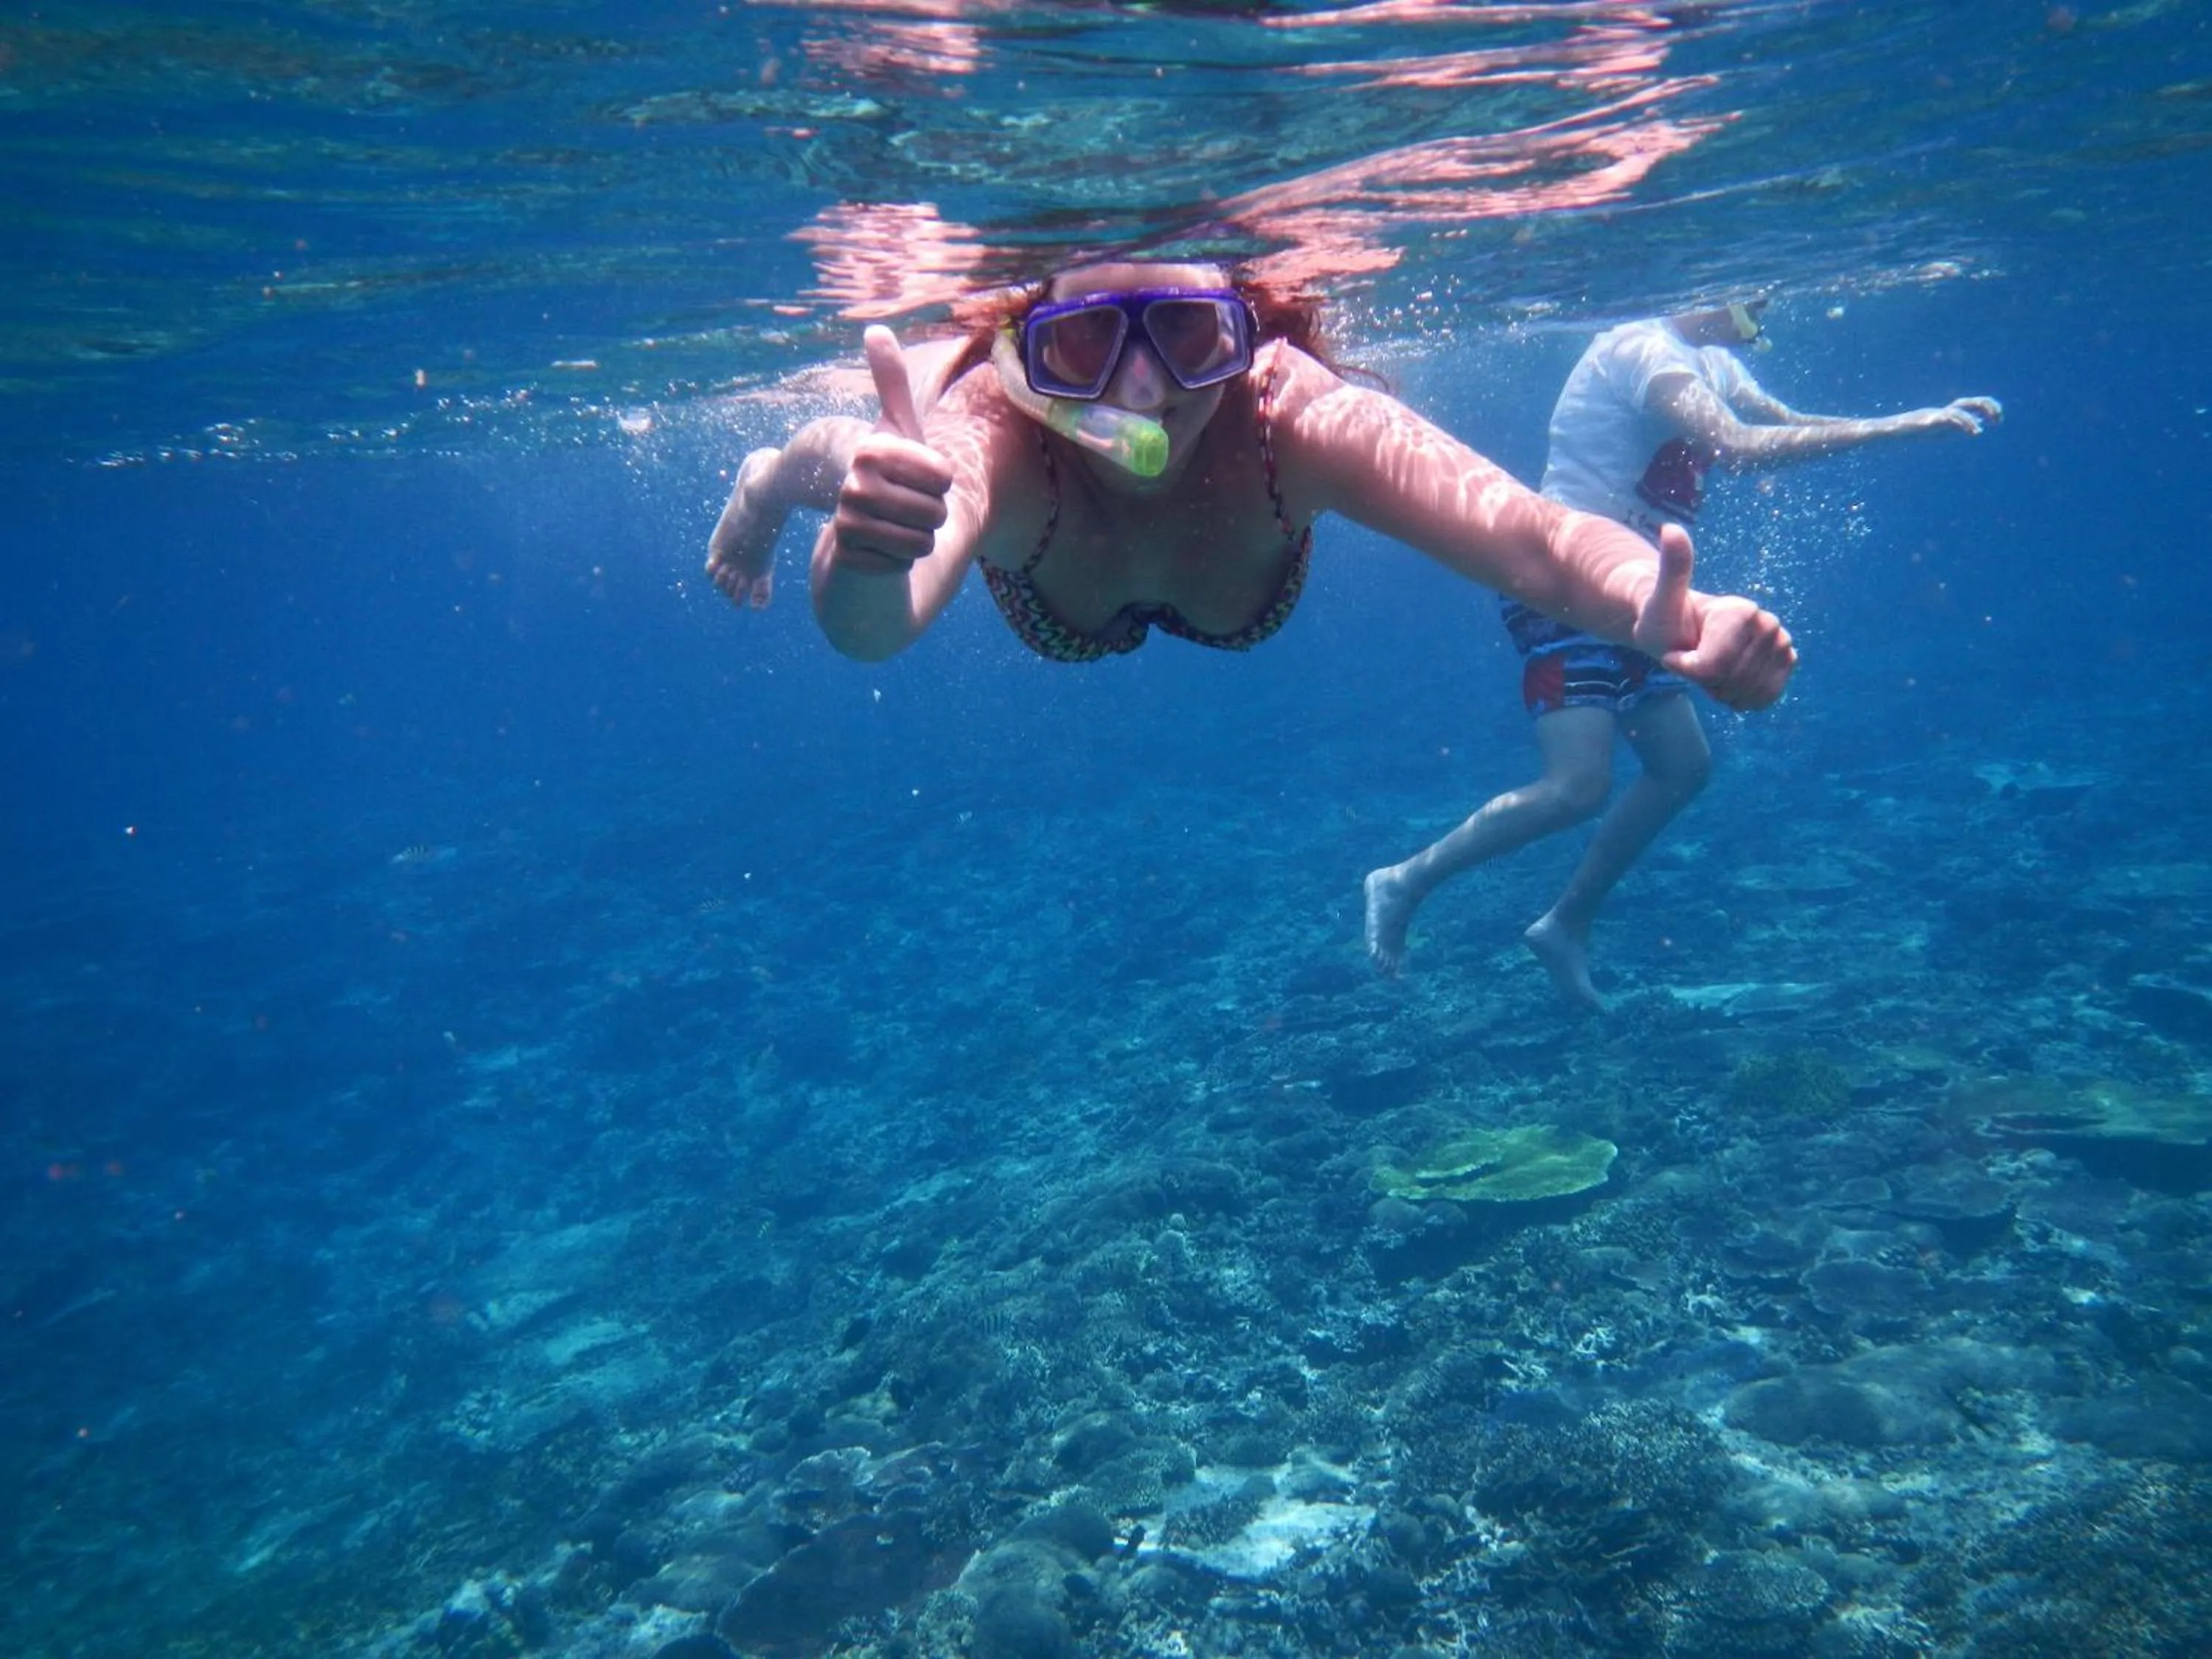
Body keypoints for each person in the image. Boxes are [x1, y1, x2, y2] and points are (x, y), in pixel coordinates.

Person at [706, 259, 1797, 706]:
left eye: (1186, 333)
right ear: (1025, 358)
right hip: (1041, 561)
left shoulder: (1293, 416)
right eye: (1085, 347)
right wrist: (867, 547)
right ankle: (773, 474)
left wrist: (1661, 611)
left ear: (1243, 332)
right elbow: (874, 627)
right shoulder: (994, 429)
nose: (1142, 390)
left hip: (1100, 587)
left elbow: (1537, 540)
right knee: (870, 464)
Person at [1361, 297, 2002, 1006]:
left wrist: (1913, 420)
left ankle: (1564, 923)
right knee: (1577, 787)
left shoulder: (1713, 364)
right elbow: (1739, 445)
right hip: (1566, 581)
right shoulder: (1645, 351)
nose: (1765, 302)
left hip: (1638, 593)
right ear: (1709, 288)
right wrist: (1898, 427)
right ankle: (1404, 879)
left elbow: (1782, 425)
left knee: (1683, 768)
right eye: (1754, 287)